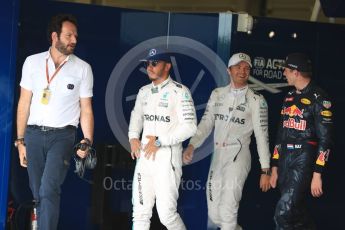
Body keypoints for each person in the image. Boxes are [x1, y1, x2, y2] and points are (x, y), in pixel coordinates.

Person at [14, 14, 94, 229]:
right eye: (69, 35)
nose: (74, 40)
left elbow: (86, 108)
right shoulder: (32, 62)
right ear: (54, 36)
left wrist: (87, 139)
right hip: (33, 134)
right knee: (38, 191)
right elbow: (24, 103)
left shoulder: (83, 68)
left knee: (49, 189)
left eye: (75, 36)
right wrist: (20, 141)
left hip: (63, 136)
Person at [183, 52, 271, 230]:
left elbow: (262, 136)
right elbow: (206, 123)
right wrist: (192, 144)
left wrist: (265, 169)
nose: (242, 71)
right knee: (215, 215)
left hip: (238, 157)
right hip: (218, 156)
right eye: (238, 67)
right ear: (228, 70)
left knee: (228, 209)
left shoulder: (257, 100)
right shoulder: (217, 94)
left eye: (246, 68)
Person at [128, 48, 197, 230]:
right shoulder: (143, 91)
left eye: (154, 63)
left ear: (167, 66)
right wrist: (133, 137)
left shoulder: (180, 92)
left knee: (167, 215)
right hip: (144, 159)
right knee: (140, 213)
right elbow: (136, 117)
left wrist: (160, 141)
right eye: (147, 63)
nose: (149, 67)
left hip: (167, 160)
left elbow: (190, 127)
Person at [270, 53, 333, 229]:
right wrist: (274, 166)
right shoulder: (289, 96)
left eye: (286, 70)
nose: (284, 73)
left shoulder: (320, 98)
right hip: (285, 160)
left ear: (296, 72)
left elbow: (325, 139)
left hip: (304, 158)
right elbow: (280, 134)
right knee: (296, 214)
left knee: (283, 212)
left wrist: (317, 173)